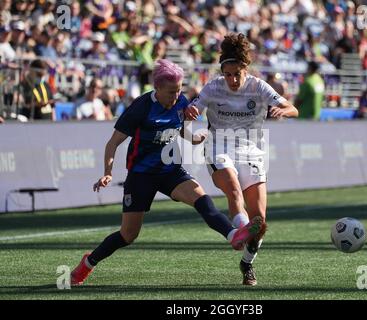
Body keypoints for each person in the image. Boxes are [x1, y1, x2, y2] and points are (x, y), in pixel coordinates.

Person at [70, 59, 265, 286]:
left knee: (202, 199)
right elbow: (112, 143)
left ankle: (234, 235)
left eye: (179, 90)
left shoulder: (180, 101)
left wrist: (193, 138)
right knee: (128, 235)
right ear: (157, 88)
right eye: (171, 92)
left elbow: (179, 125)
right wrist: (108, 171)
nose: (177, 96)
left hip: (170, 169)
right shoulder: (140, 107)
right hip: (141, 175)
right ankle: (87, 263)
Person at [185, 33, 298, 286]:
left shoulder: (258, 86)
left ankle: (247, 262)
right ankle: (240, 233)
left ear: (245, 69)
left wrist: (284, 110)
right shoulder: (213, 86)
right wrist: (191, 111)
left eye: (237, 73)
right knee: (233, 191)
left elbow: (293, 107)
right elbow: (193, 110)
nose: (233, 79)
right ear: (222, 71)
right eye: (228, 74)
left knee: (260, 223)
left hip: (251, 151)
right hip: (219, 146)